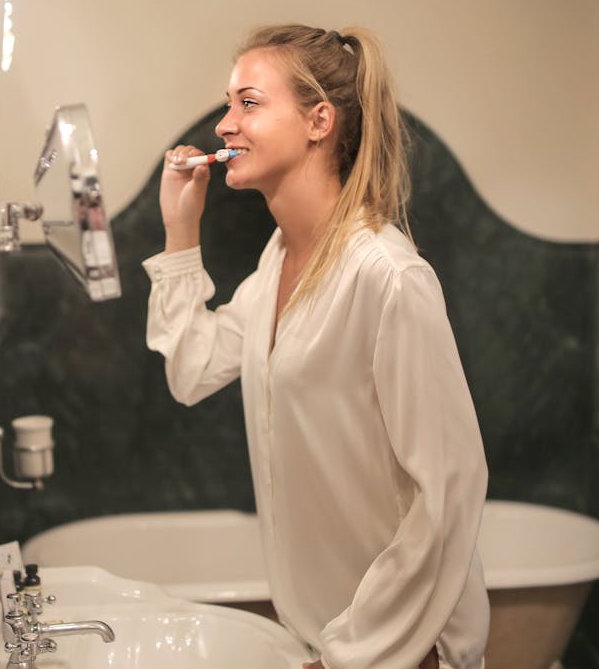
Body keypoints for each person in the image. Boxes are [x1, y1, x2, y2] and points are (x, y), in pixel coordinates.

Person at [143, 24, 489, 669]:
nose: (223, 125)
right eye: (228, 103)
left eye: (248, 103)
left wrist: (362, 650)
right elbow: (192, 371)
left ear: (319, 121)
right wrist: (180, 231)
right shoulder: (279, 260)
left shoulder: (387, 277)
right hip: (324, 637)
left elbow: (449, 491)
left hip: (404, 649)